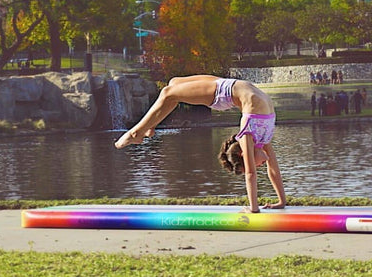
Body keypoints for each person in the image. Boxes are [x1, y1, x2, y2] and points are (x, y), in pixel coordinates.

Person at [114, 75, 286, 213]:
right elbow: (259, 172)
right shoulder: (256, 137)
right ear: (243, 155)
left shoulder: (252, 136)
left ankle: (141, 130)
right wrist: (264, 205)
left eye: (258, 165)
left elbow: (262, 172)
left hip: (222, 91)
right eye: (258, 165)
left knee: (169, 92)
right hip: (223, 87)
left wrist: (270, 204)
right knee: (173, 84)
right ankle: (142, 130)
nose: (261, 165)